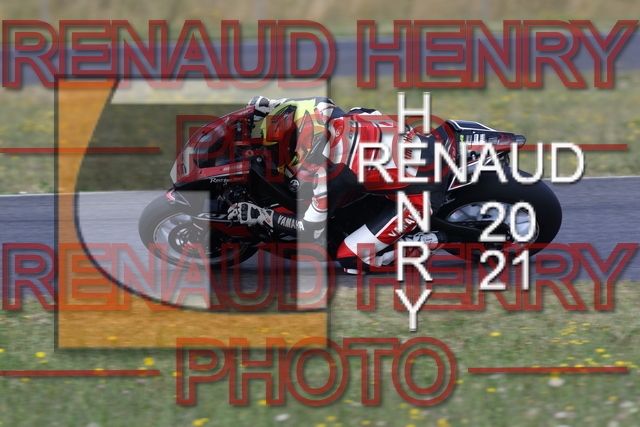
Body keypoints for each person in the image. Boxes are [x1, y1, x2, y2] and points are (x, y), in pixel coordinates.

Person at [227, 96, 451, 274]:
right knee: (359, 113)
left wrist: (262, 215)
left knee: (350, 259)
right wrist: (268, 105)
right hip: (421, 148)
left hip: (422, 194)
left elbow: (310, 229)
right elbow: (294, 106)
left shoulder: (331, 174)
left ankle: (425, 242)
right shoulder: (326, 113)